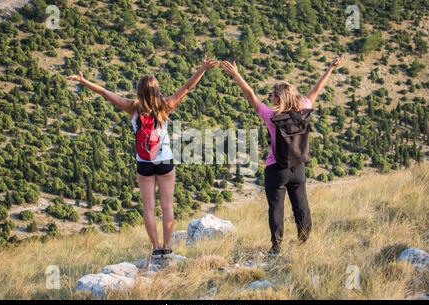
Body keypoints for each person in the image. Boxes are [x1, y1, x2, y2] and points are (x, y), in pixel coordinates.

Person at [67, 56, 219, 257]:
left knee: (149, 209)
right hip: (165, 161)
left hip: (144, 163)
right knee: (167, 206)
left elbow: (105, 93)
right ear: (156, 91)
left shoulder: (132, 107)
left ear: (139, 91)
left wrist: (83, 81)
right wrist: (202, 69)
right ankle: (167, 247)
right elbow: (187, 87)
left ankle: (156, 248)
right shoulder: (164, 106)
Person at [222, 54, 345, 255]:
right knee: (301, 207)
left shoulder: (271, 116)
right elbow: (317, 89)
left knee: (276, 209)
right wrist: (331, 67)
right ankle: (304, 243)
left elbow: (250, 94)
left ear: (278, 97)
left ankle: (277, 248)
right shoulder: (304, 108)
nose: (270, 96)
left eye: (272, 94)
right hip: (298, 166)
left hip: (275, 168)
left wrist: (236, 74)